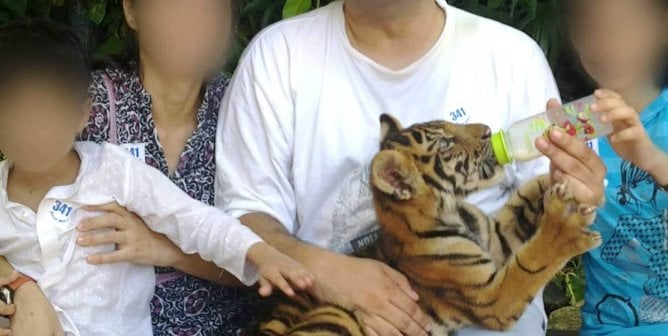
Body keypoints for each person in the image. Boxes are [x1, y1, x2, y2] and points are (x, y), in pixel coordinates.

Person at [217, 0, 606, 335]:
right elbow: (245, 215)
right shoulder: (278, 56)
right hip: (331, 306)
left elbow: (548, 201)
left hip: (482, 314)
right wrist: (327, 273)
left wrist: (575, 196)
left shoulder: (510, 56)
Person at [0, 18, 313, 336]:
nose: (33, 131)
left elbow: (193, 219)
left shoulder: (113, 171)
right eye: (17, 114)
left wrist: (261, 254)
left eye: (47, 113)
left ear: (82, 115)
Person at [560, 0, 668, 334]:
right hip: (609, 327)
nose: (611, 41)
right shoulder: (567, 129)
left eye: (630, 24)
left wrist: (651, 160)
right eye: (593, 25)